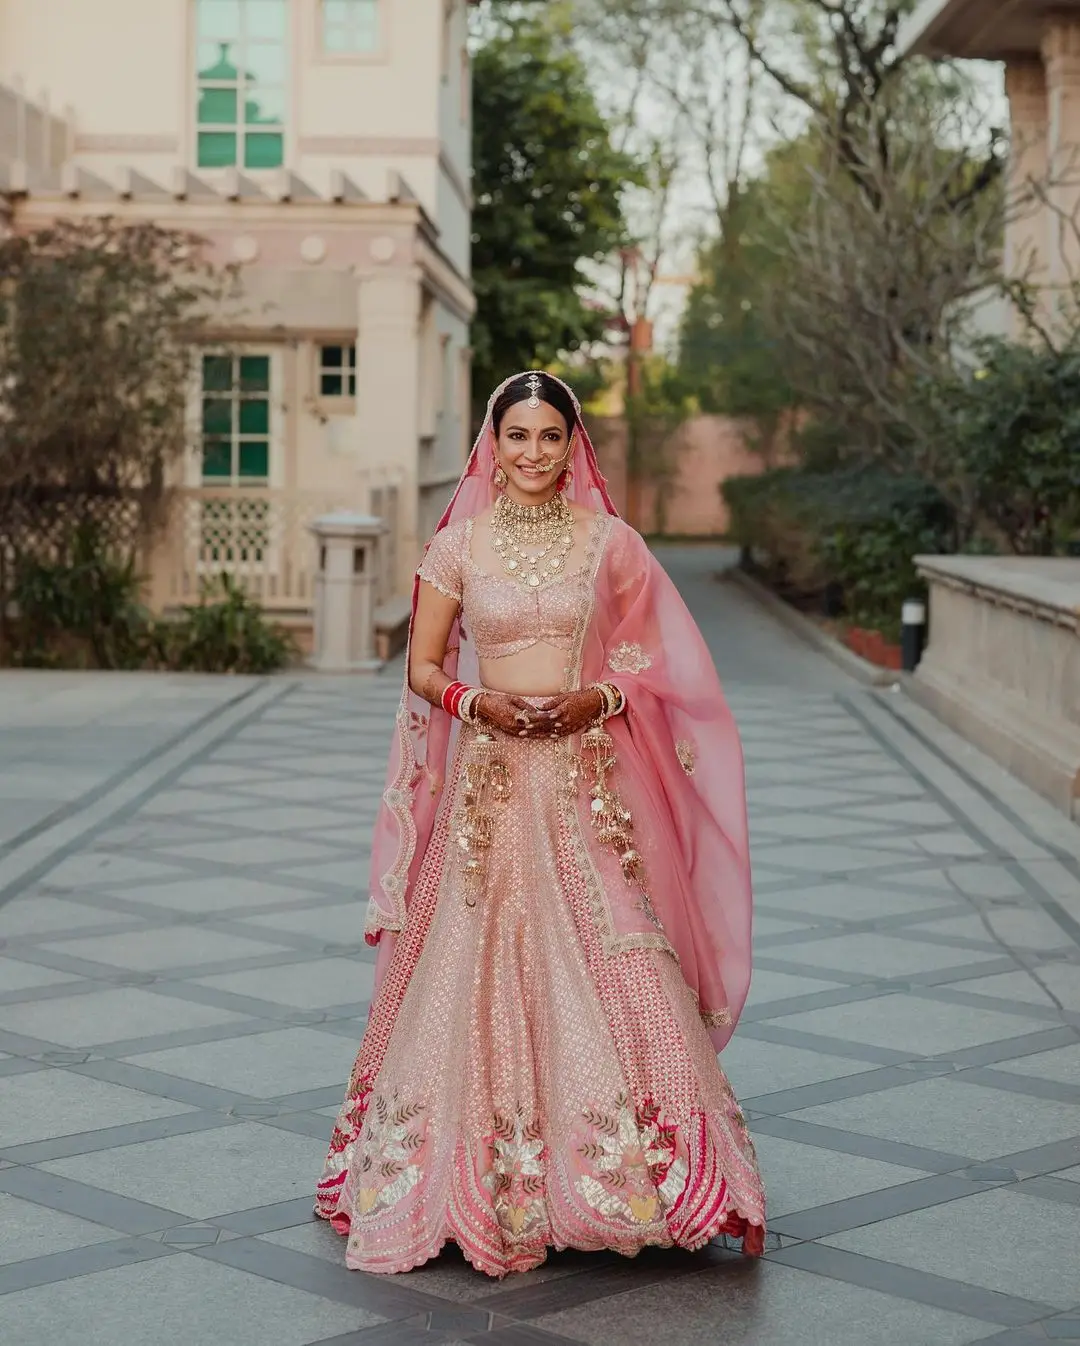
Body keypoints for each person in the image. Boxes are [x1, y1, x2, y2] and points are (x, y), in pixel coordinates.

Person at [316, 371, 766, 1276]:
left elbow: (658, 659)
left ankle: (654, 1181)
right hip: (485, 788)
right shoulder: (458, 547)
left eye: (548, 438)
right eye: (515, 437)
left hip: (583, 781)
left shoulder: (612, 544)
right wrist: (474, 701)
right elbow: (422, 663)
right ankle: (464, 1180)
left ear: (573, 446)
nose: (530, 454)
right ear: (494, 443)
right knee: (462, 958)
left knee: (622, 951)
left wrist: (595, 696)